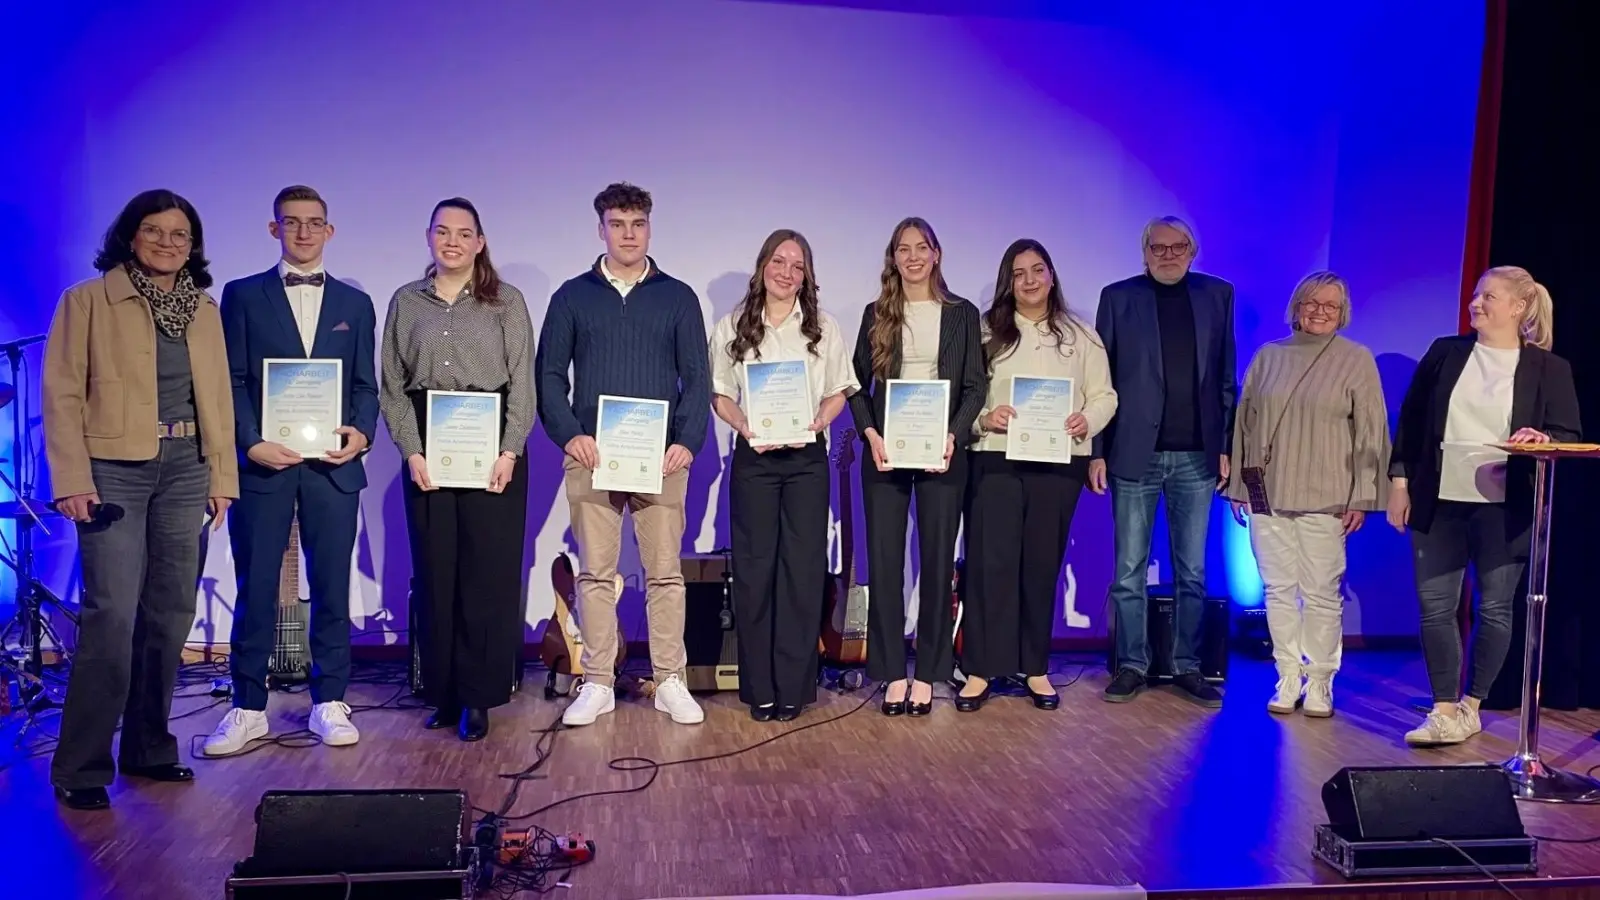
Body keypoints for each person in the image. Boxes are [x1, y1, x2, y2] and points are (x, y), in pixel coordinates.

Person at [41, 189, 237, 810]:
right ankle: (81, 766)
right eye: (154, 231)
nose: (167, 243)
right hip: (113, 471)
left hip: (187, 469)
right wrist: (72, 477)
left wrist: (221, 477)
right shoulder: (88, 301)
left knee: (171, 614)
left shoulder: (203, 310)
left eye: (180, 235)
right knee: (112, 616)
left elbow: (219, 400)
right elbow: (63, 394)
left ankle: (151, 748)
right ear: (130, 236)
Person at [202, 186, 377, 757]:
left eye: (315, 223)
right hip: (265, 467)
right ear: (274, 229)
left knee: (329, 584)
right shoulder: (243, 295)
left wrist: (361, 432)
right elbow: (233, 381)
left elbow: (363, 387)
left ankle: (329, 701)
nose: (304, 233)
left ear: (330, 231)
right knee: (257, 586)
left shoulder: (356, 304)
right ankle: (248, 706)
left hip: (330, 467)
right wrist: (249, 443)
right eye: (292, 223)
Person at [536, 182, 711, 728]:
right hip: (592, 456)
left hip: (660, 459)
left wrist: (685, 440)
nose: (628, 234)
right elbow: (547, 376)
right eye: (617, 224)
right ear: (601, 229)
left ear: (649, 228)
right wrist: (569, 435)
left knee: (664, 575)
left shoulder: (677, 296)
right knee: (596, 574)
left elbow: (698, 379)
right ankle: (598, 682)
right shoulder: (571, 295)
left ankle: (670, 681)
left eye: (637, 224)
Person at [1387, 265, 1580, 747]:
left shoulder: (1549, 368)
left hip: (1504, 506)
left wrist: (1543, 437)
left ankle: (1471, 706)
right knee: (1436, 607)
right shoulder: (1445, 352)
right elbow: (1410, 422)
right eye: (1476, 295)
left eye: (1488, 297)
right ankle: (1441, 709)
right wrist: (1399, 482)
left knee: (1495, 610)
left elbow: (1568, 434)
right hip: (1440, 500)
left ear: (1518, 307)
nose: (1477, 304)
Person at [379, 198, 534, 742]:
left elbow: (523, 385)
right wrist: (411, 450)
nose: (452, 241)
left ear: (479, 242)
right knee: (437, 570)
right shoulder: (406, 302)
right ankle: (442, 691)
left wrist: (510, 450)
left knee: (485, 575)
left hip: (490, 442)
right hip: (428, 445)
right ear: (428, 237)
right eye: (442, 232)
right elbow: (393, 387)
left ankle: (478, 696)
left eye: (463, 233)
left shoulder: (506, 302)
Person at [958, 239, 1116, 712]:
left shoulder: (1080, 336)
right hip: (996, 457)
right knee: (991, 565)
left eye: (1038, 270)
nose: (1029, 280)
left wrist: (1086, 421)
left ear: (1051, 276)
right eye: (1019, 272)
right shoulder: (985, 332)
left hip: (1057, 463)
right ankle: (980, 670)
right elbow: (966, 393)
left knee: (1041, 565)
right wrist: (985, 417)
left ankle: (1035, 668)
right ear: (1008, 280)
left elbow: (1105, 395)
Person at [1224, 271, 1390, 718]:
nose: (1319, 312)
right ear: (1297, 306)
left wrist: (1363, 495)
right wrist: (1239, 485)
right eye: (1311, 303)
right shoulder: (1269, 356)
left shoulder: (1355, 359)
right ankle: (1287, 677)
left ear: (1343, 313)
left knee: (1320, 593)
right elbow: (1246, 423)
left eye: (1329, 306)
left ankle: (1319, 682)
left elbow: (1371, 433)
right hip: (1268, 494)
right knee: (1278, 590)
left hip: (1329, 495)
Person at [709, 229, 859, 722]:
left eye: (798, 266)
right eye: (779, 261)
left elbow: (841, 389)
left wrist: (821, 420)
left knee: (801, 574)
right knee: (754, 575)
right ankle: (761, 689)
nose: (787, 272)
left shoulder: (824, 328)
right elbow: (720, 394)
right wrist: (744, 424)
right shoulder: (734, 325)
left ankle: (794, 688)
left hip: (806, 464)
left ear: (807, 276)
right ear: (763, 266)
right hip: (754, 460)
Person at [1092, 216, 1235, 708]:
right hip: (1134, 453)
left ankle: (1186, 666)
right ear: (1144, 252)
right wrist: (1098, 451)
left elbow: (1225, 377)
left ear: (1192, 251)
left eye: (1178, 247)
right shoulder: (1117, 297)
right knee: (1129, 569)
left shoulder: (1218, 296)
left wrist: (1227, 446)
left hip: (1197, 457)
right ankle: (1132, 665)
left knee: (1192, 570)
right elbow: (1100, 382)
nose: (1168, 254)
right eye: (1158, 247)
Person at [849, 217, 986, 717]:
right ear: (893, 257)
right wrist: (871, 434)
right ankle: (889, 672)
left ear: (936, 253)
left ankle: (928, 672)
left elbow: (975, 386)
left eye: (921, 247)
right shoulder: (875, 314)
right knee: (884, 562)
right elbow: (855, 387)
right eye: (902, 249)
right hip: (886, 450)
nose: (912, 257)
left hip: (944, 450)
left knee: (936, 562)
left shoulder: (962, 314)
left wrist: (953, 436)